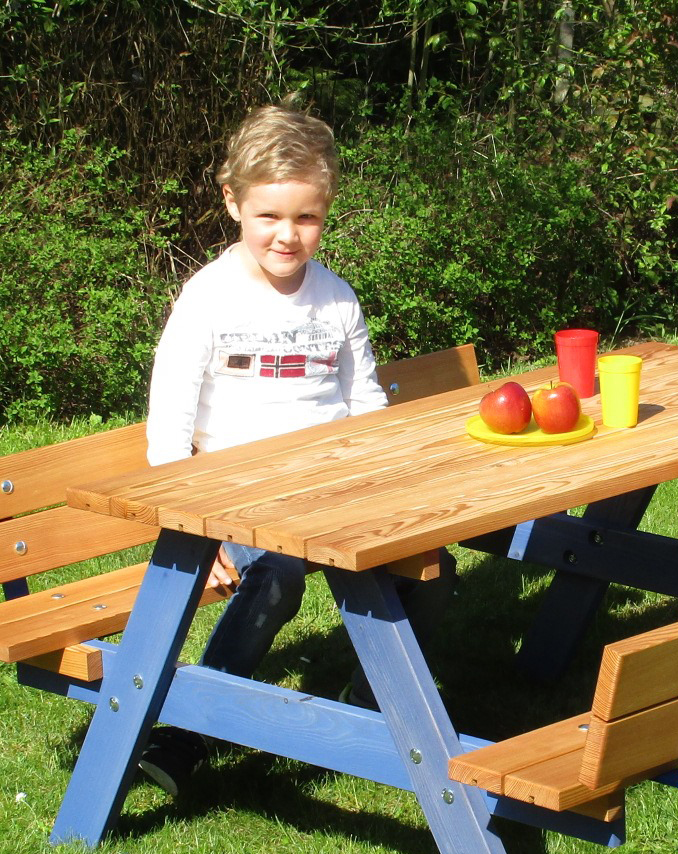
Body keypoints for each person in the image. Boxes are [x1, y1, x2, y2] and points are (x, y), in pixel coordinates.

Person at [136, 104, 457, 796]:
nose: (287, 236)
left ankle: (378, 710)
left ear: (327, 210)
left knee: (432, 567)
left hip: (335, 493)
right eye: (269, 217)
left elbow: (367, 407)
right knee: (275, 573)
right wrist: (196, 527)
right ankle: (189, 731)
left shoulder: (336, 301)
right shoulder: (208, 299)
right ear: (232, 203)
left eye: (305, 219)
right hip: (239, 503)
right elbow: (169, 424)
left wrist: (390, 495)